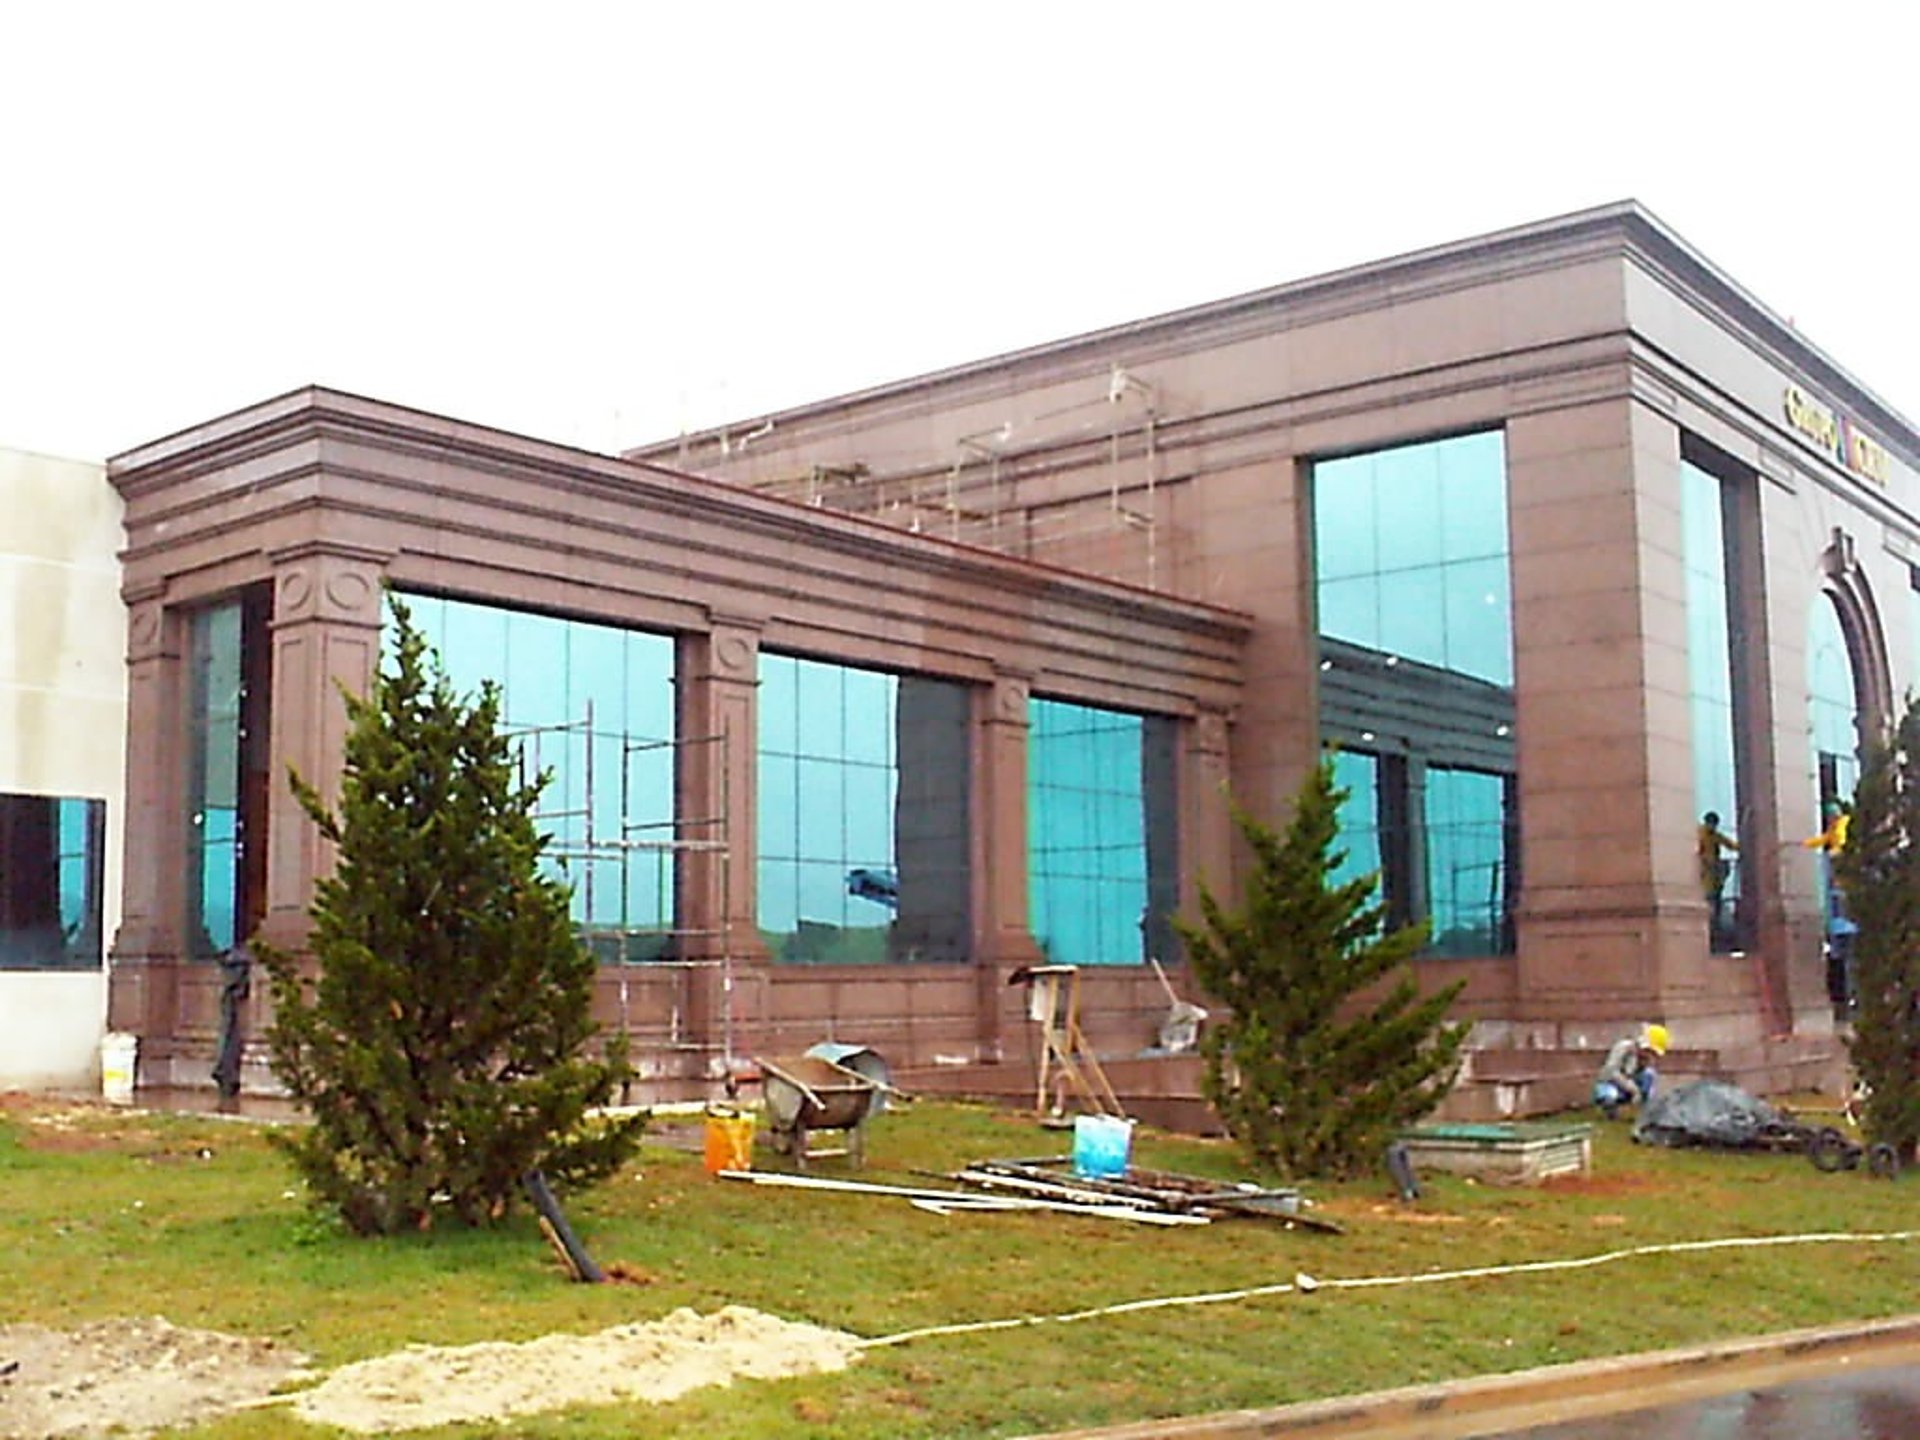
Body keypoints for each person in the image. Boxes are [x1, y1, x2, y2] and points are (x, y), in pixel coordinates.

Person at [1593, 1023, 1668, 1120]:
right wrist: (1632, 1088)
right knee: (1608, 1094)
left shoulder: (1646, 1061)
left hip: (1631, 1085)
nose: (1650, 1056)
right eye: (1649, 1051)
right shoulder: (1624, 1048)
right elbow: (1611, 1071)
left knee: (1649, 1074)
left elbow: (1646, 1078)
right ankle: (1610, 1111)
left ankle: (1643, 1110)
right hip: (1612, 1083)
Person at [1696, 811, 1739, 942]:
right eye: (1711, 824)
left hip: (1714, 874)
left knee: (1716, 899)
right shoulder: (1700, 834)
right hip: (1704, 873)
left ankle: (1715, 926)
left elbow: (1729, 844)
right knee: (1709, 898)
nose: (1713, 827)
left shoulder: (1714, 835)